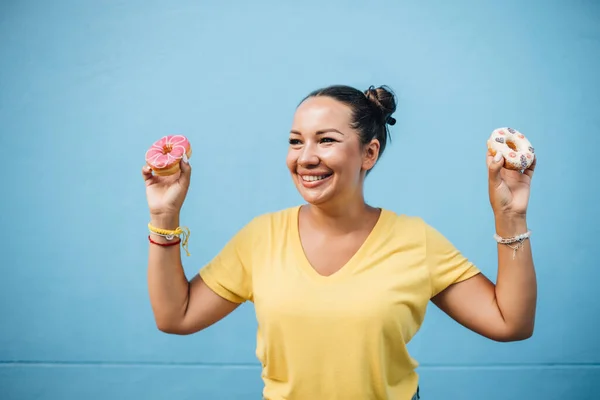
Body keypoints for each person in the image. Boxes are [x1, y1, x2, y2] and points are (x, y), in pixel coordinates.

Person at [141, 84, 537, 400]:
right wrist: (164, 216)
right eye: (296, 141)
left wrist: (510, 214)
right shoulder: (260, 238)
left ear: (369, 152)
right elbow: (176, 317)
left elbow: (511, 323)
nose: (305, 157)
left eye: (325, 140)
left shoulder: (416, 241)